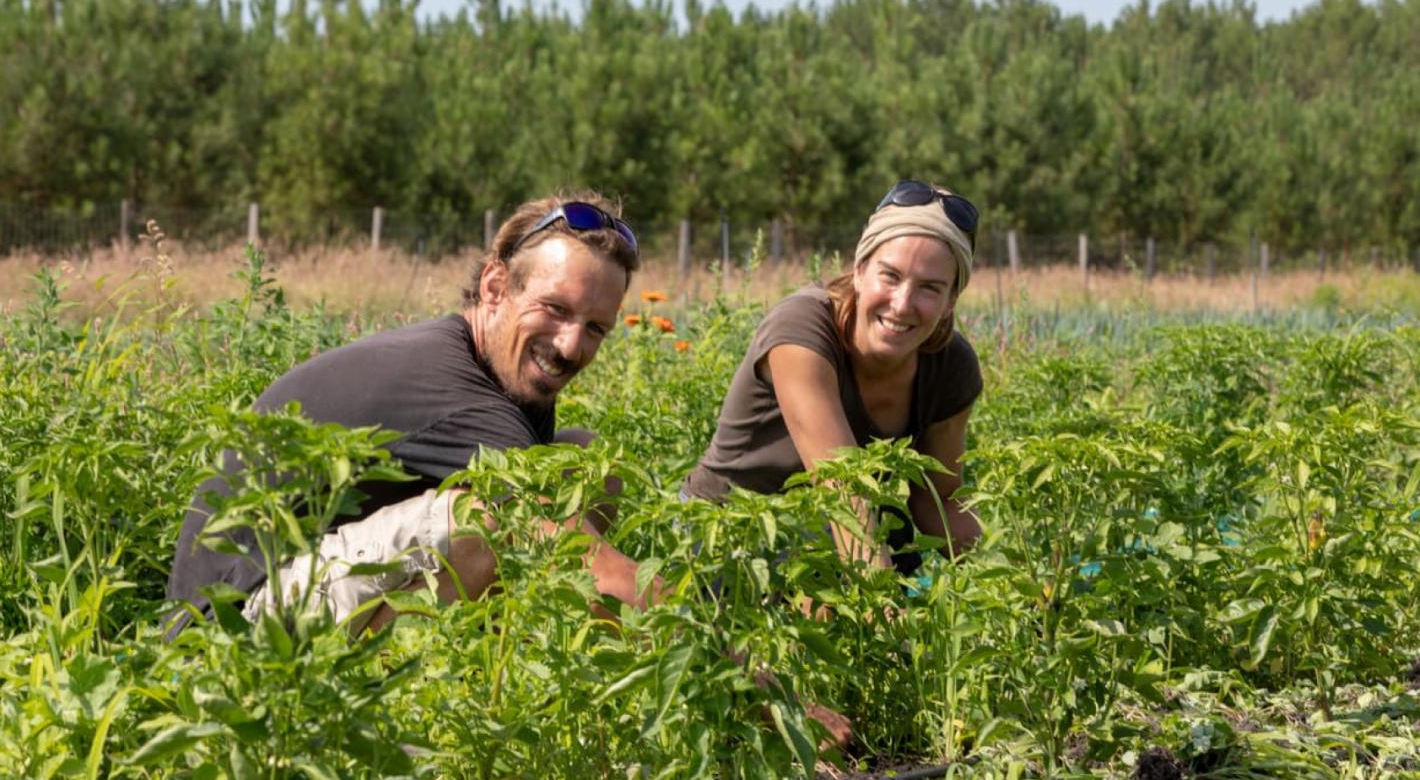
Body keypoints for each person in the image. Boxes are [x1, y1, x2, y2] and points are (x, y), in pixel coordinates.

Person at [164, 192, 654, 637]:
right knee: (488, 522)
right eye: (555, 308)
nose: (571, 345)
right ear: (495, 287)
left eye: (595, 328)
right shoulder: (464, 393)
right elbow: (579, 561)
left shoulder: (501, 372)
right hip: (231, 623)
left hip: (301, 576)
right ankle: (382, 713)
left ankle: (486, 672)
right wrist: (702, 636)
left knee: (587, 465)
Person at [680, 180, 984, 574]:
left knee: (887, 543)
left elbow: (936, 502)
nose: (903, 304)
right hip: (728, 532)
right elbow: (841, 490)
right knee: (828, 561)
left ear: (950, 302)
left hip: (830, 537)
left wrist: (1024, 586)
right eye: (890, 276)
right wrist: (882, 616)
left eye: (930, 288)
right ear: (859, 271)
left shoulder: (950, 366)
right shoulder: (803, 328)